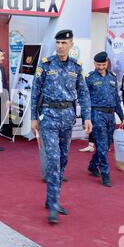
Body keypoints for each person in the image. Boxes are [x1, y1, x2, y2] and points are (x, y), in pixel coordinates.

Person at [31, 29, 92, 224]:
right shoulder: (46, 64)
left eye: (64, 43)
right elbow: (35, 91)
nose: (60, 46)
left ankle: (51, 199)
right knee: (53, 159)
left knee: (64, 159)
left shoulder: (76, 67)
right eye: (57, 43)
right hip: (48, 117)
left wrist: (87, 117)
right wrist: (33, 118)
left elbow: (83, 93)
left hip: (67, 119)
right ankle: (55, 204)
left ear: (71, 44)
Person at [86, 52, 124, 187]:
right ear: (94, 64)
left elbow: (116, 98)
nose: (101, 67)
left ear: (107, 63)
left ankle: (92, 165)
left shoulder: (112, 77)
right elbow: (85, 99)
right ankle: (105, 174)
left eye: (103, 64)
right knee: (102, 146)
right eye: (98, 65)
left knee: (107, 144)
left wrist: (122, 117)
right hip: (97, 115)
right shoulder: (90, 78)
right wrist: (87, 119)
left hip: (110, 116)